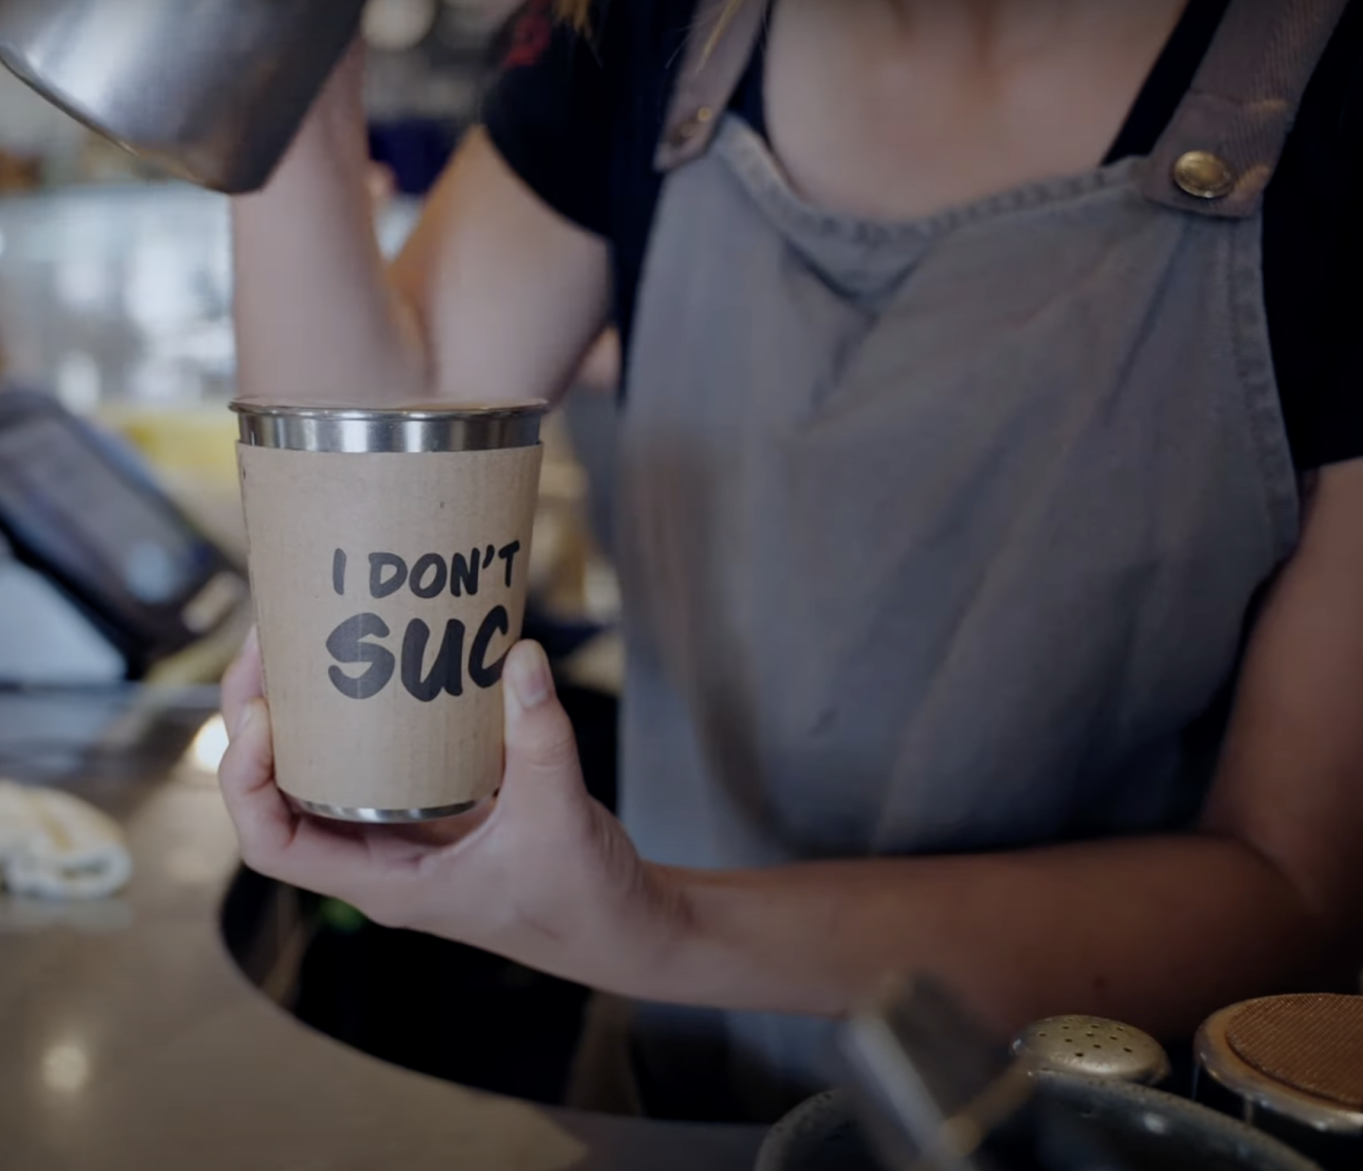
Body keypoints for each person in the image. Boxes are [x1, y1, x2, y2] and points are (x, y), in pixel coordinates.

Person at [222, 0, 1363, 1120]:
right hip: (662, 1088)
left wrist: (660, 927)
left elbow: (1289, 890)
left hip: (1078, 1125)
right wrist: (279, 72)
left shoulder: (1330, 99)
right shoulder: (646, 33)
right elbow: (379, 495)